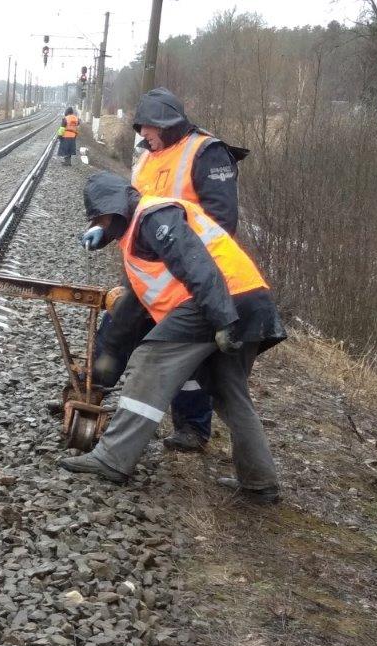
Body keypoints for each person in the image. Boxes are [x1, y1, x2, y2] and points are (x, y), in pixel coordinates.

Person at [63, 172, 285, 504]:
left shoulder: (153, 216)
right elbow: (131, 313)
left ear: (115, 208)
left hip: (220, 300)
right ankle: (260, 483)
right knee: (228, 393)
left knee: (151, 362)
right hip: (249, 299)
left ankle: (112, 459)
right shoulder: (138, 232)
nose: (101, 223)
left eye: (101, 217)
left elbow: (198, 267)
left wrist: (223, 319)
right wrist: (102, 369)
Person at [105, 86, 251, 452]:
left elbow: (222, 222)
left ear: (163, 122)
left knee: (183, 356)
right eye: (138, 129)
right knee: (117, 330)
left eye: (146, 128)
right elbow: (132, 205)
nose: (141, 136)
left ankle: (192, 428)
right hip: (150, 269)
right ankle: (89, 393)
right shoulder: (147, 157)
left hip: (192, 277)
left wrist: (189, 266)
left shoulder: (206, 153)